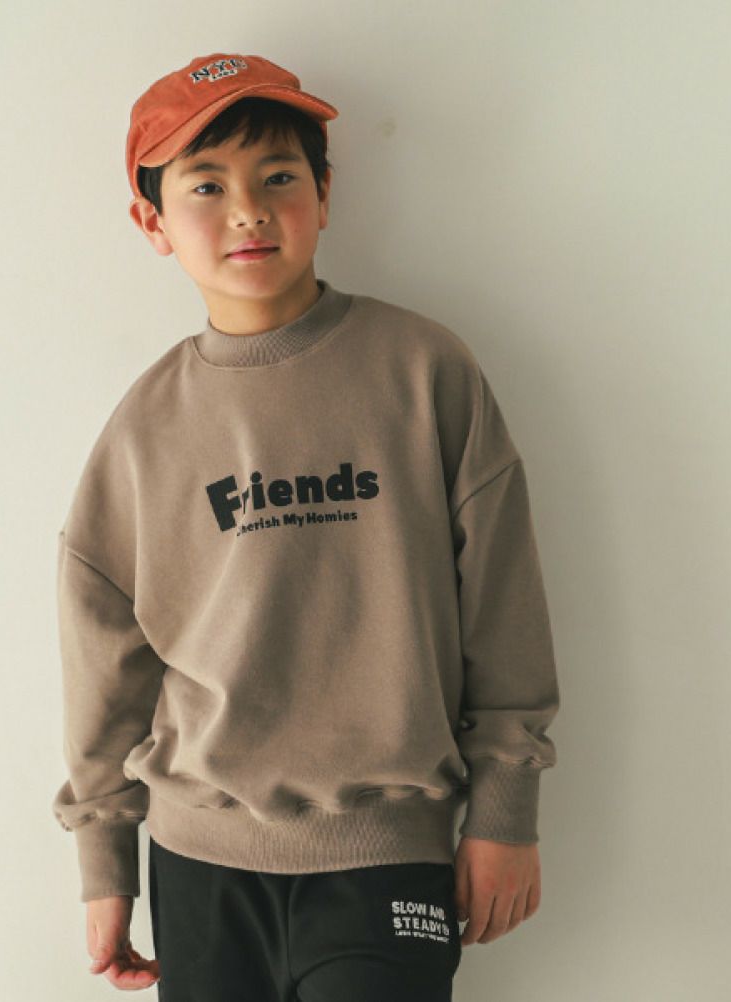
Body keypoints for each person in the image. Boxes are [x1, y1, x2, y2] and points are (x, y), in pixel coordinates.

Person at [51, 52, 560, 1000]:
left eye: (278, 176)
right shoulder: (144, 429)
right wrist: (105, 861)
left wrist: (506, 808)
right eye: (207, 186)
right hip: (199, 858)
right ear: (152, 223)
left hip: (387, 846)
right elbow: (102, 656)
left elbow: (504, 606)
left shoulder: (424, 371)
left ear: (324, 195)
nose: (248, 210)